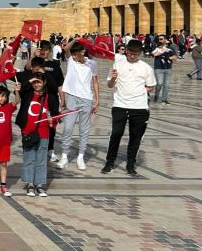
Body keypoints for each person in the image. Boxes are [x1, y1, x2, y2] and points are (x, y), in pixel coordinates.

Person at [102, 39, 156, 176]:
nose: (133, 56)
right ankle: (109, 162)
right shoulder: (117, 64)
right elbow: (109, 85)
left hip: (139, 107)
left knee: (135, 136)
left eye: (136, 54)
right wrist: (113, 78)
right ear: (126, 50)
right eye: (131, 53)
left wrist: (139, 91)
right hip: (120, 105)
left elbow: (151, 87)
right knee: (116, 134)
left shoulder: (146, 67)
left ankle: (130, 165)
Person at [57, 40, 99, 171]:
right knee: (68, 128)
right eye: (73, 54)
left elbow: (95, 82)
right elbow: (66, 49)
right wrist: (76, 40)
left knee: (84, 129)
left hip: (86, 99)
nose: (74, 56)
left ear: (83, 52)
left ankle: (81, 157)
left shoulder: (92, 64)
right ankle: (64, 157)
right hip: (71, 98)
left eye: (76, 54)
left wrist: (97, 100)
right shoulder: (71, 61)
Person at [16, 73, 58, 197]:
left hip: (43, 132)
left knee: (41, 160)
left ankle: (39, 185)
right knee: (29, 159)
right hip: (28, 132)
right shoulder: (28, 94)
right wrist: (30, 80)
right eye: (34, 82)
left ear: (44, 83)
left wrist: (52, 120)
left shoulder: (49, 97)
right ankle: (29, 184)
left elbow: (56, 114)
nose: (36, 84)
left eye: (39, 82)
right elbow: (20, 90)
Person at [151, 35, 177, 104]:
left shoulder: (170, 48)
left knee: (166, 84)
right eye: (159, 39)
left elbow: (175, 57)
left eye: (161, 39)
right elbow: (154, 54)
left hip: (168, 68)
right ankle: (156, 95)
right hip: (158, 68)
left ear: (165, 40)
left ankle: (164, 99)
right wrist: (163, 50)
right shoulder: (156, 47)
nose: (160, 40)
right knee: (159, 83)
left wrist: (169, 58)